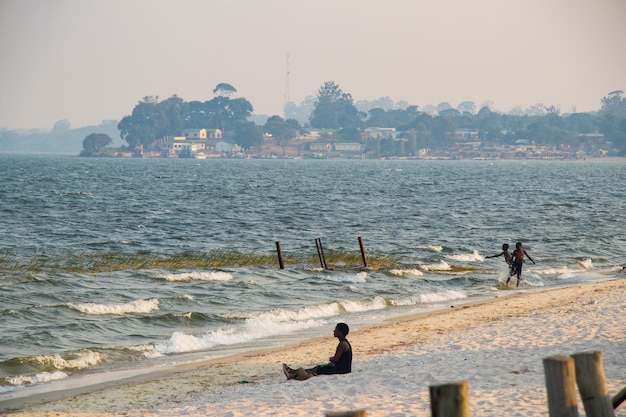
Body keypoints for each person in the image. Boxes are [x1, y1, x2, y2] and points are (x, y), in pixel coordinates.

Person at [282, 322, 352, 381]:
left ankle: (295, 374)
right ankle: (295, 372)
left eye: (336, 329)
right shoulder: (344, 342)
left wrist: (331, 359)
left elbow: (335, 359)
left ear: (340, 332)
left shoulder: (342, 344)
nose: (334, 331)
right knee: (318, 367)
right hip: (343, 368)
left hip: (342, 369)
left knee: (319, 369)